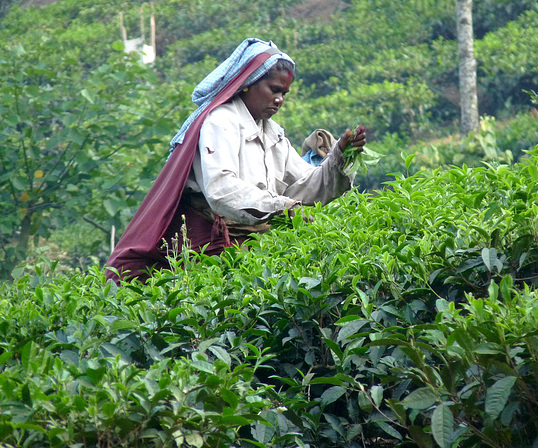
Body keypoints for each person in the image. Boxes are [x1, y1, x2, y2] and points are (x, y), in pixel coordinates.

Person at [106, 38, 366, 282]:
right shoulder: (220, 121)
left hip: (252, 241)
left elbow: (305, 187)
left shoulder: (272, 132)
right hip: (207, 243)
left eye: (284, 93)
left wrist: (340, 157)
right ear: (248, 83)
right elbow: (222, 189)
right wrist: (281, 207)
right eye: (274, 90)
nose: (279, 100)